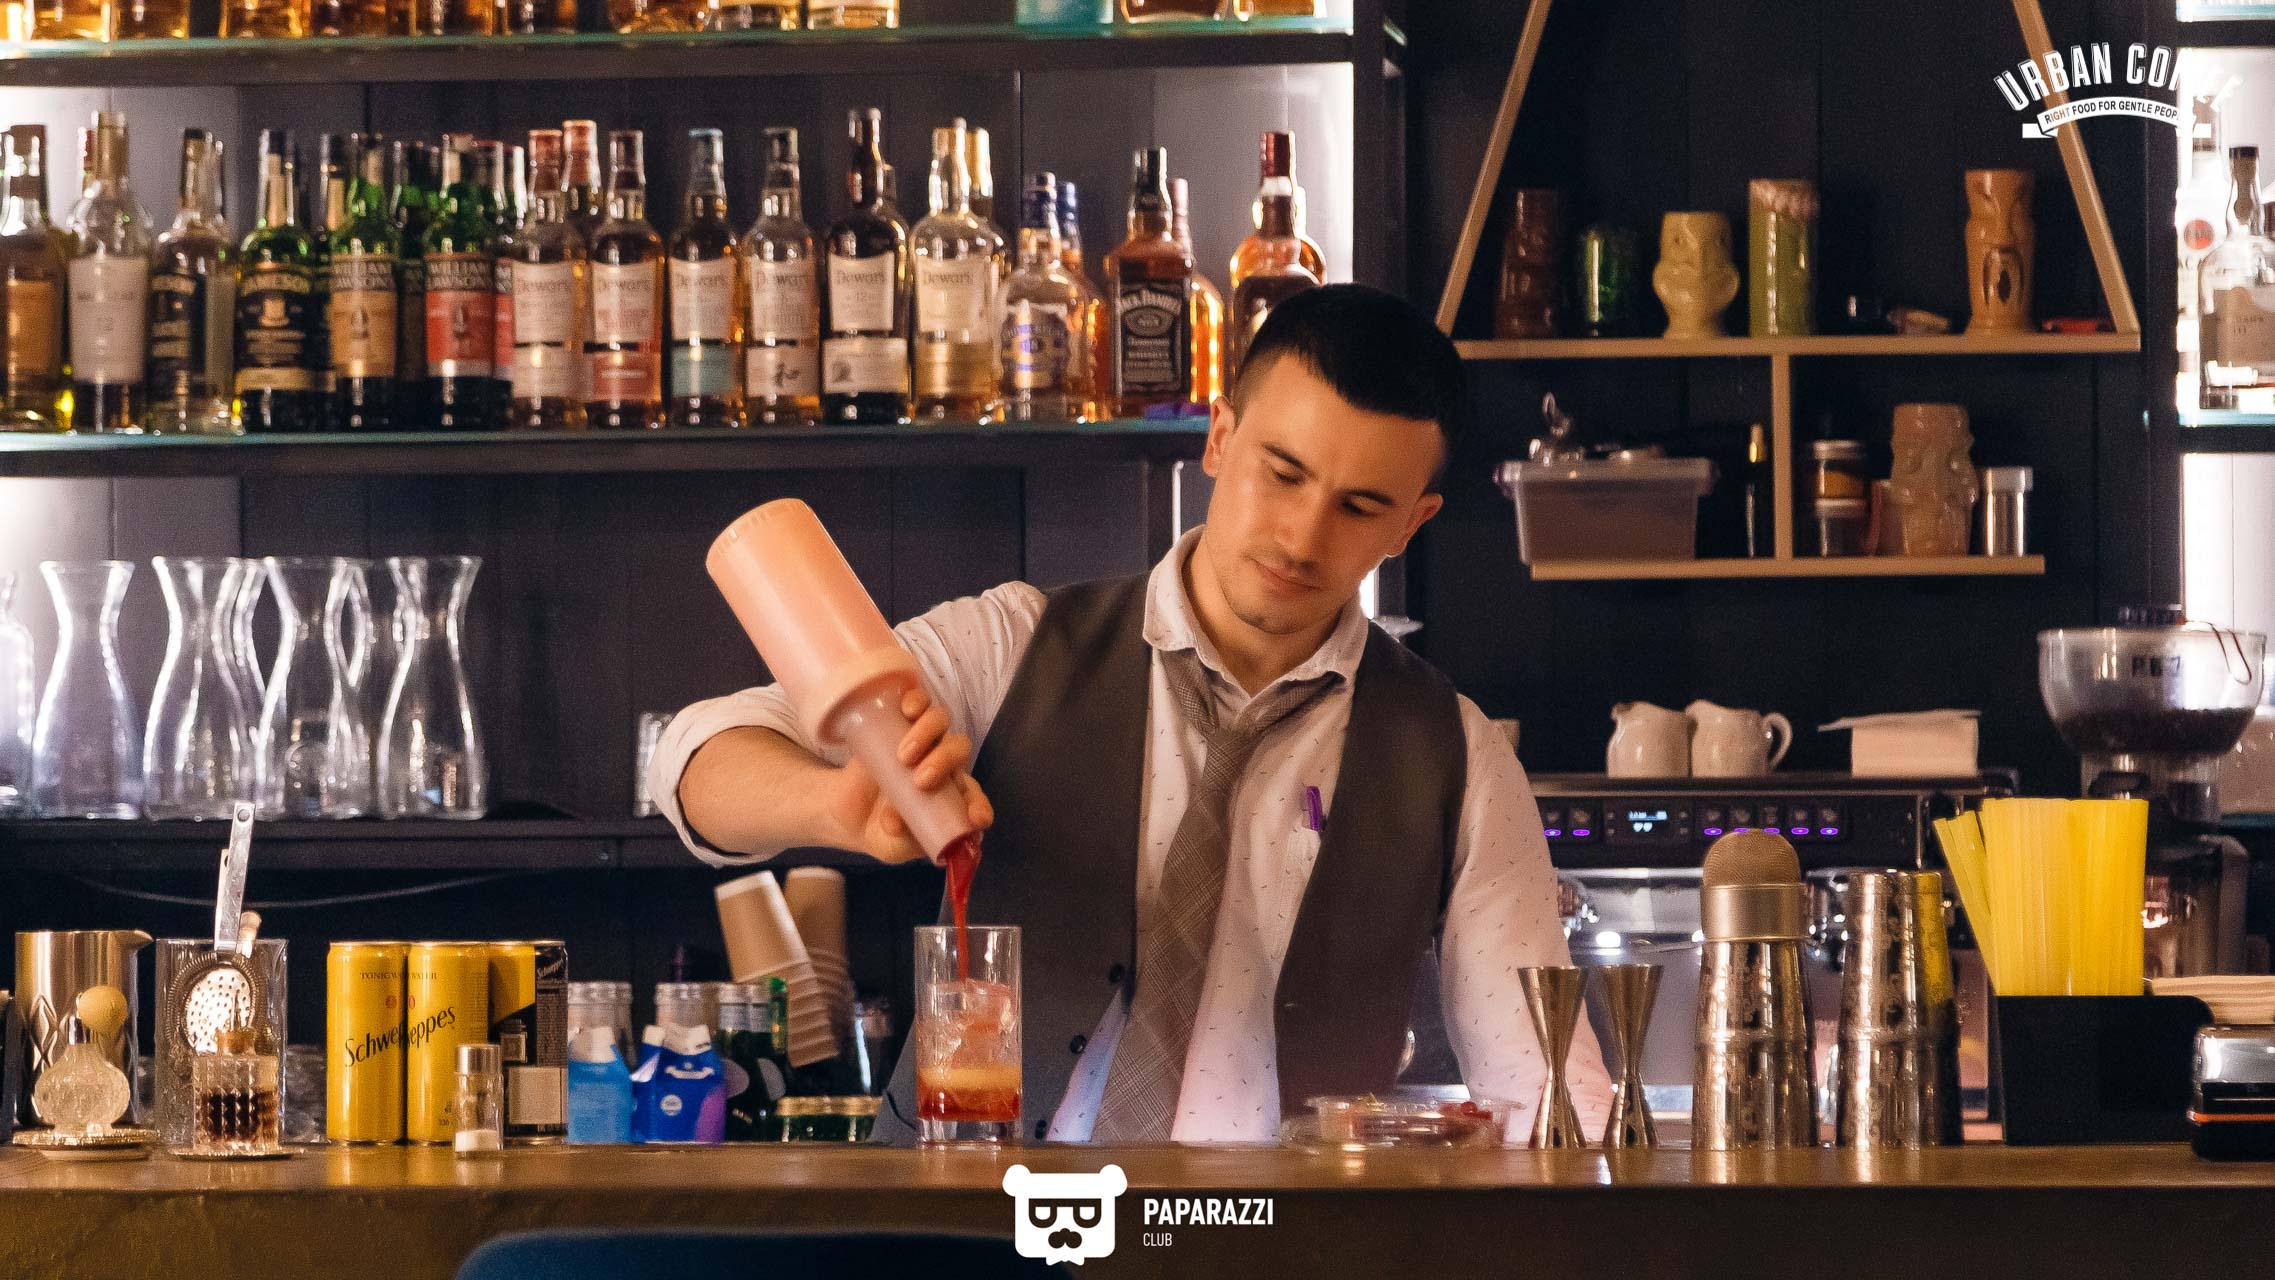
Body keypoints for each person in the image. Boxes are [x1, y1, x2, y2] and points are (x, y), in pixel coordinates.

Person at [652, 284, 1613, 1144]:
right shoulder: (1015, 644)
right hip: (977, 1234)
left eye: (1359, 506)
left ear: (1412, 522)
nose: (1301, 535)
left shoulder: (1456, 756)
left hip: (1273, 1250)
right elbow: (694, 759)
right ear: (1219, 438)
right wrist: (832, 807)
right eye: (1281, 473)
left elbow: (1550, 1097)